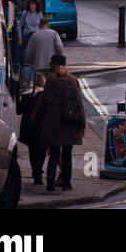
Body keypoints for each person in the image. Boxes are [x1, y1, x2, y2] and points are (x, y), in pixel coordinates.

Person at [33, 55, 84, 191]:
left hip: (53, 121)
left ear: (55, 64)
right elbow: (79, 104)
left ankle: (50, 181)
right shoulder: (73, 80)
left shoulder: (50, 80)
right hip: (70, 121)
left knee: (54, 152)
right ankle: (66, 183)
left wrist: (37, 117)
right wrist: (82, 125)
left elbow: (43, 101)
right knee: (67, 154)